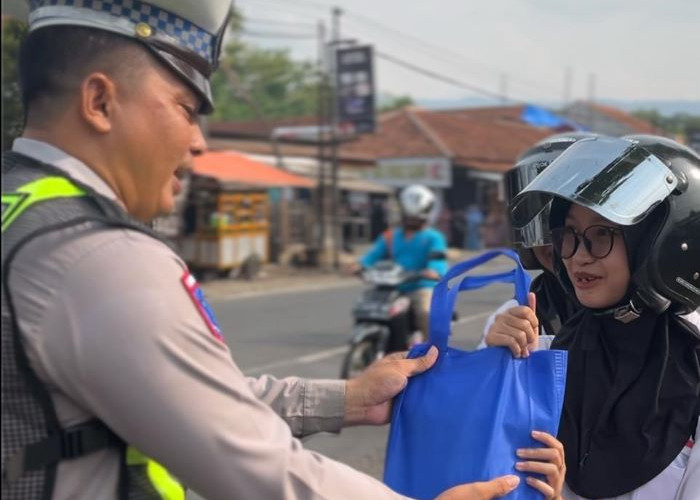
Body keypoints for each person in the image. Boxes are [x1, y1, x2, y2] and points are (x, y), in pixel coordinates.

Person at [0, 2, 525, 499]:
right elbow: (254, 464)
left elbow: (195, 403)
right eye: (187, 109)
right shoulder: (99, 254)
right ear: (99, 102)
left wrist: (348, 399)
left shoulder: (20, 209)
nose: (198, 141)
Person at [492, 134, 700, 499]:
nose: (578, 256)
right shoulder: (545, 353)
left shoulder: (691, 380)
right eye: (568, 234)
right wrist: (493, 365)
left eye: (602, 234)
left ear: (658, 242)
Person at [481, 133, 599, 354]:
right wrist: (497, 358)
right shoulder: (515, 317)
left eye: (596, 232)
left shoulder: (669, 322)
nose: (568, 249)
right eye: (545, 229)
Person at [349, 184, 448, 343]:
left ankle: (434, 353)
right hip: (393, 286)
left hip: (421, 286)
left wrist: (433, 271)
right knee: (366, 308)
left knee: (425, 312)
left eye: (417, 218)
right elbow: (373, 255)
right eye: (409, 217)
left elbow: (438, 261)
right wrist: (360, 265)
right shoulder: (390, 236)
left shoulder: (434, 238)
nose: (412, 221)